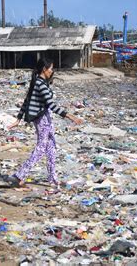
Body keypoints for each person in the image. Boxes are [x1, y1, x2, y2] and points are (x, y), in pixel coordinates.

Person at [7, 58, 83, 188]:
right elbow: (51, 104)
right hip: (42, 119)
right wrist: (70, 117)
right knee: (41, 148)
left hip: (45, 117)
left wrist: (18, 119)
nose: (52, 71)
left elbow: (27, 101)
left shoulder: (40, 82)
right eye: (51, 69)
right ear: (44, 69)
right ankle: (20, 174)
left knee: (51, 147)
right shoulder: (40, 84)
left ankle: (52, 178)